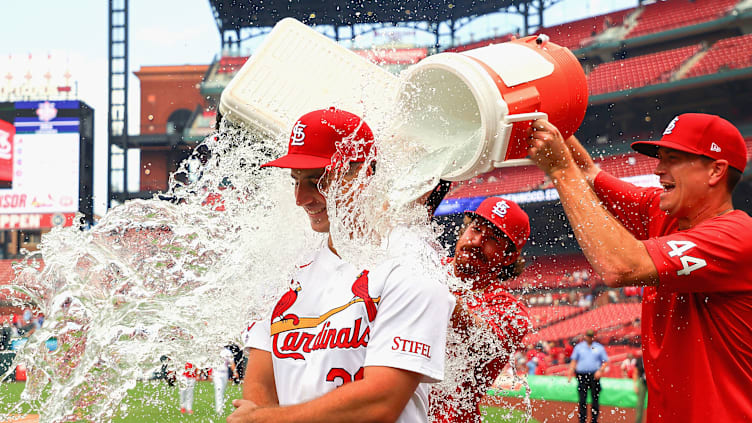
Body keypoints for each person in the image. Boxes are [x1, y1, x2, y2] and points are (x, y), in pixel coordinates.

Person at [229, 107, 454, 423]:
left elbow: (380, 402)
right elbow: (260, 385)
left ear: (362, 176)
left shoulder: (410, 266)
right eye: (296, 180)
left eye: (317, 180)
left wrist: (266, 419)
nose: (301, 198)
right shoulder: (287, 267)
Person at [527, 113, 752, 422]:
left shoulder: (737, 237)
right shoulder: (666, 213)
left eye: (672, 159)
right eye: (661, 158)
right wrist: (549, 115)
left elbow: (619, 267)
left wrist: (560, 171)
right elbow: (588, 173)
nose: (659, 169)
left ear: (716, 170)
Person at [435, 196, 531, 422]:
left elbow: (480, 336)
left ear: (509, 257)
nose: (477, 241)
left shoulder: (512, 313)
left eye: (493, 239)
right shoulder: (431, 267)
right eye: (475, 229)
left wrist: (428, 287)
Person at [568, 329, 608, 423]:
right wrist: (570, 372)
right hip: (581, 375)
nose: (589, 338)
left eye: (591, 336)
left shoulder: (599, 347)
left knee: (595, 399)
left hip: (594, 375)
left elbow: (605, 361)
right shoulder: (579, 347)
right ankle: (582, 420)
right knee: (582, 400)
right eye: (588, 336)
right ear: (585, 336)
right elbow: (574, 361)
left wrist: (600, 371)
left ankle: (594, 420)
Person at [213, 345, 239, 414]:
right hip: (217, 372)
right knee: (219, 389)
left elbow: (231, 362)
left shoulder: (227, 352)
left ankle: (221, 406)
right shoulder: (215, 351)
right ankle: (219, 409)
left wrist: (235, 372)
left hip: (224, 372)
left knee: (223, 390)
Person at [633, 350, 647, 423]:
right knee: (640, 403)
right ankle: (638, 421)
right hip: (642, 381)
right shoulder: (639, 360)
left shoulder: (652, 358)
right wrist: (635, 385)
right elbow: (635, 372)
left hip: (651, 383)